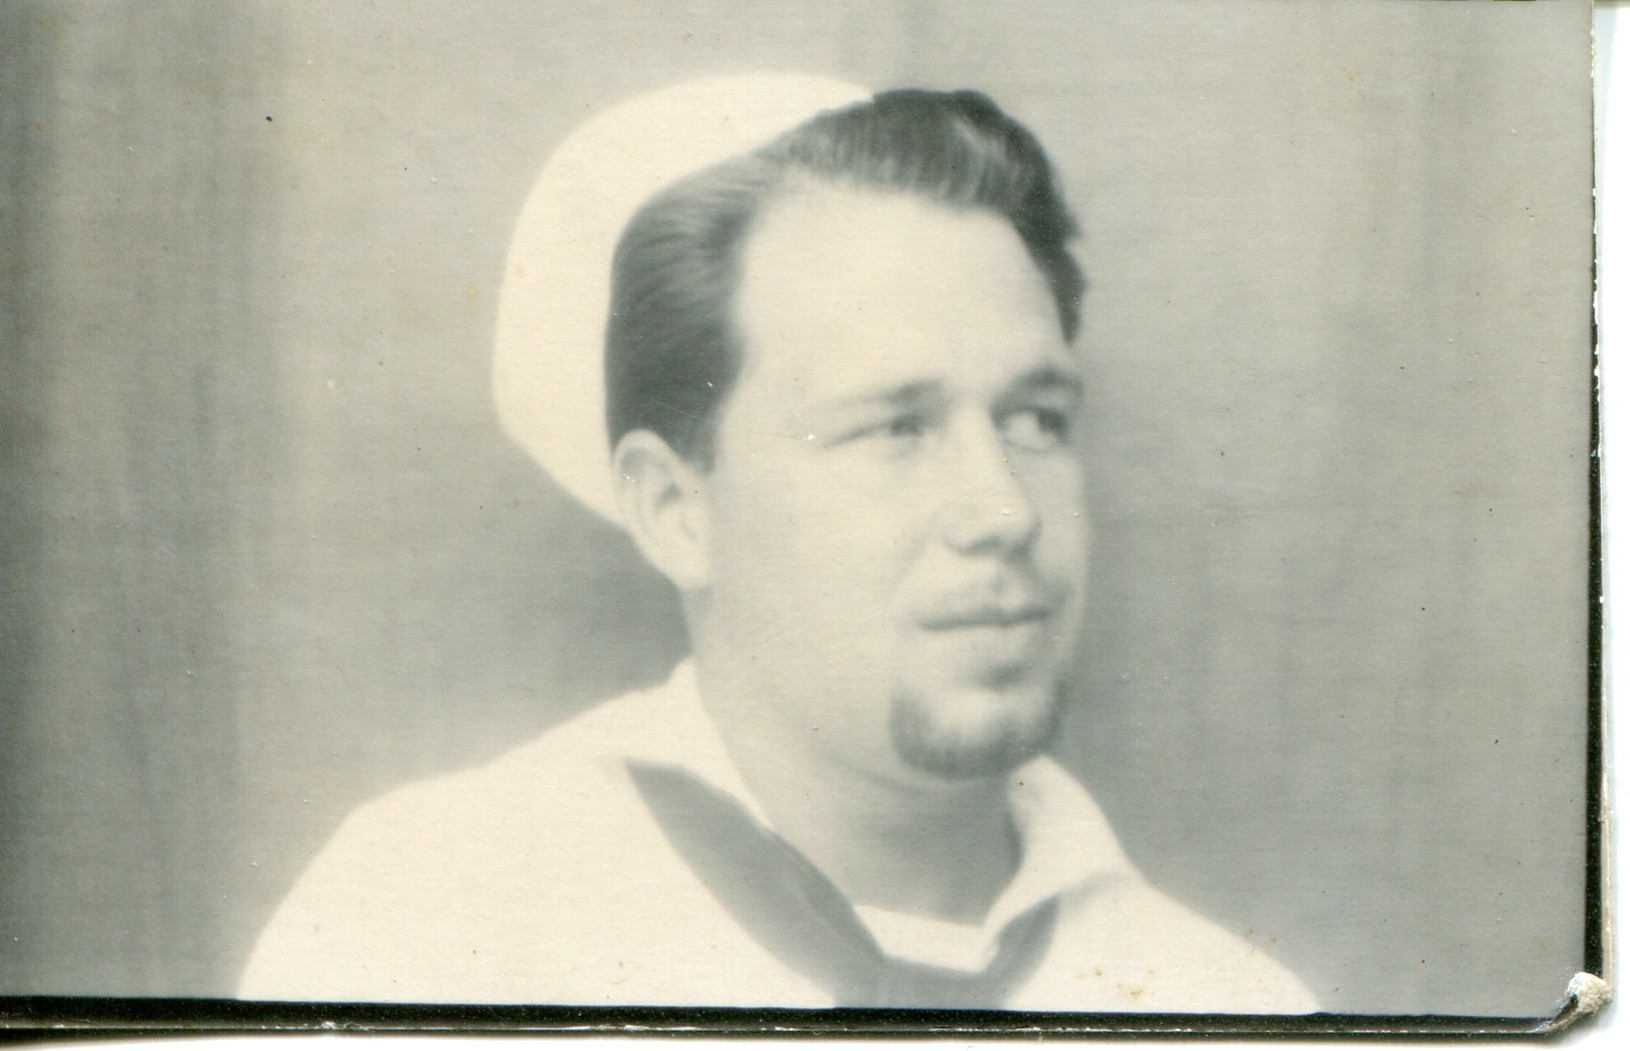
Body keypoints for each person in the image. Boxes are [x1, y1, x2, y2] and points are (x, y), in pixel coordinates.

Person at [238, 83, 1318, 1012]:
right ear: (677, 510)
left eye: (1035, 420)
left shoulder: (1227, 1003)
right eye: (892, 427)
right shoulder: (430, 922)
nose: (1002, 509)